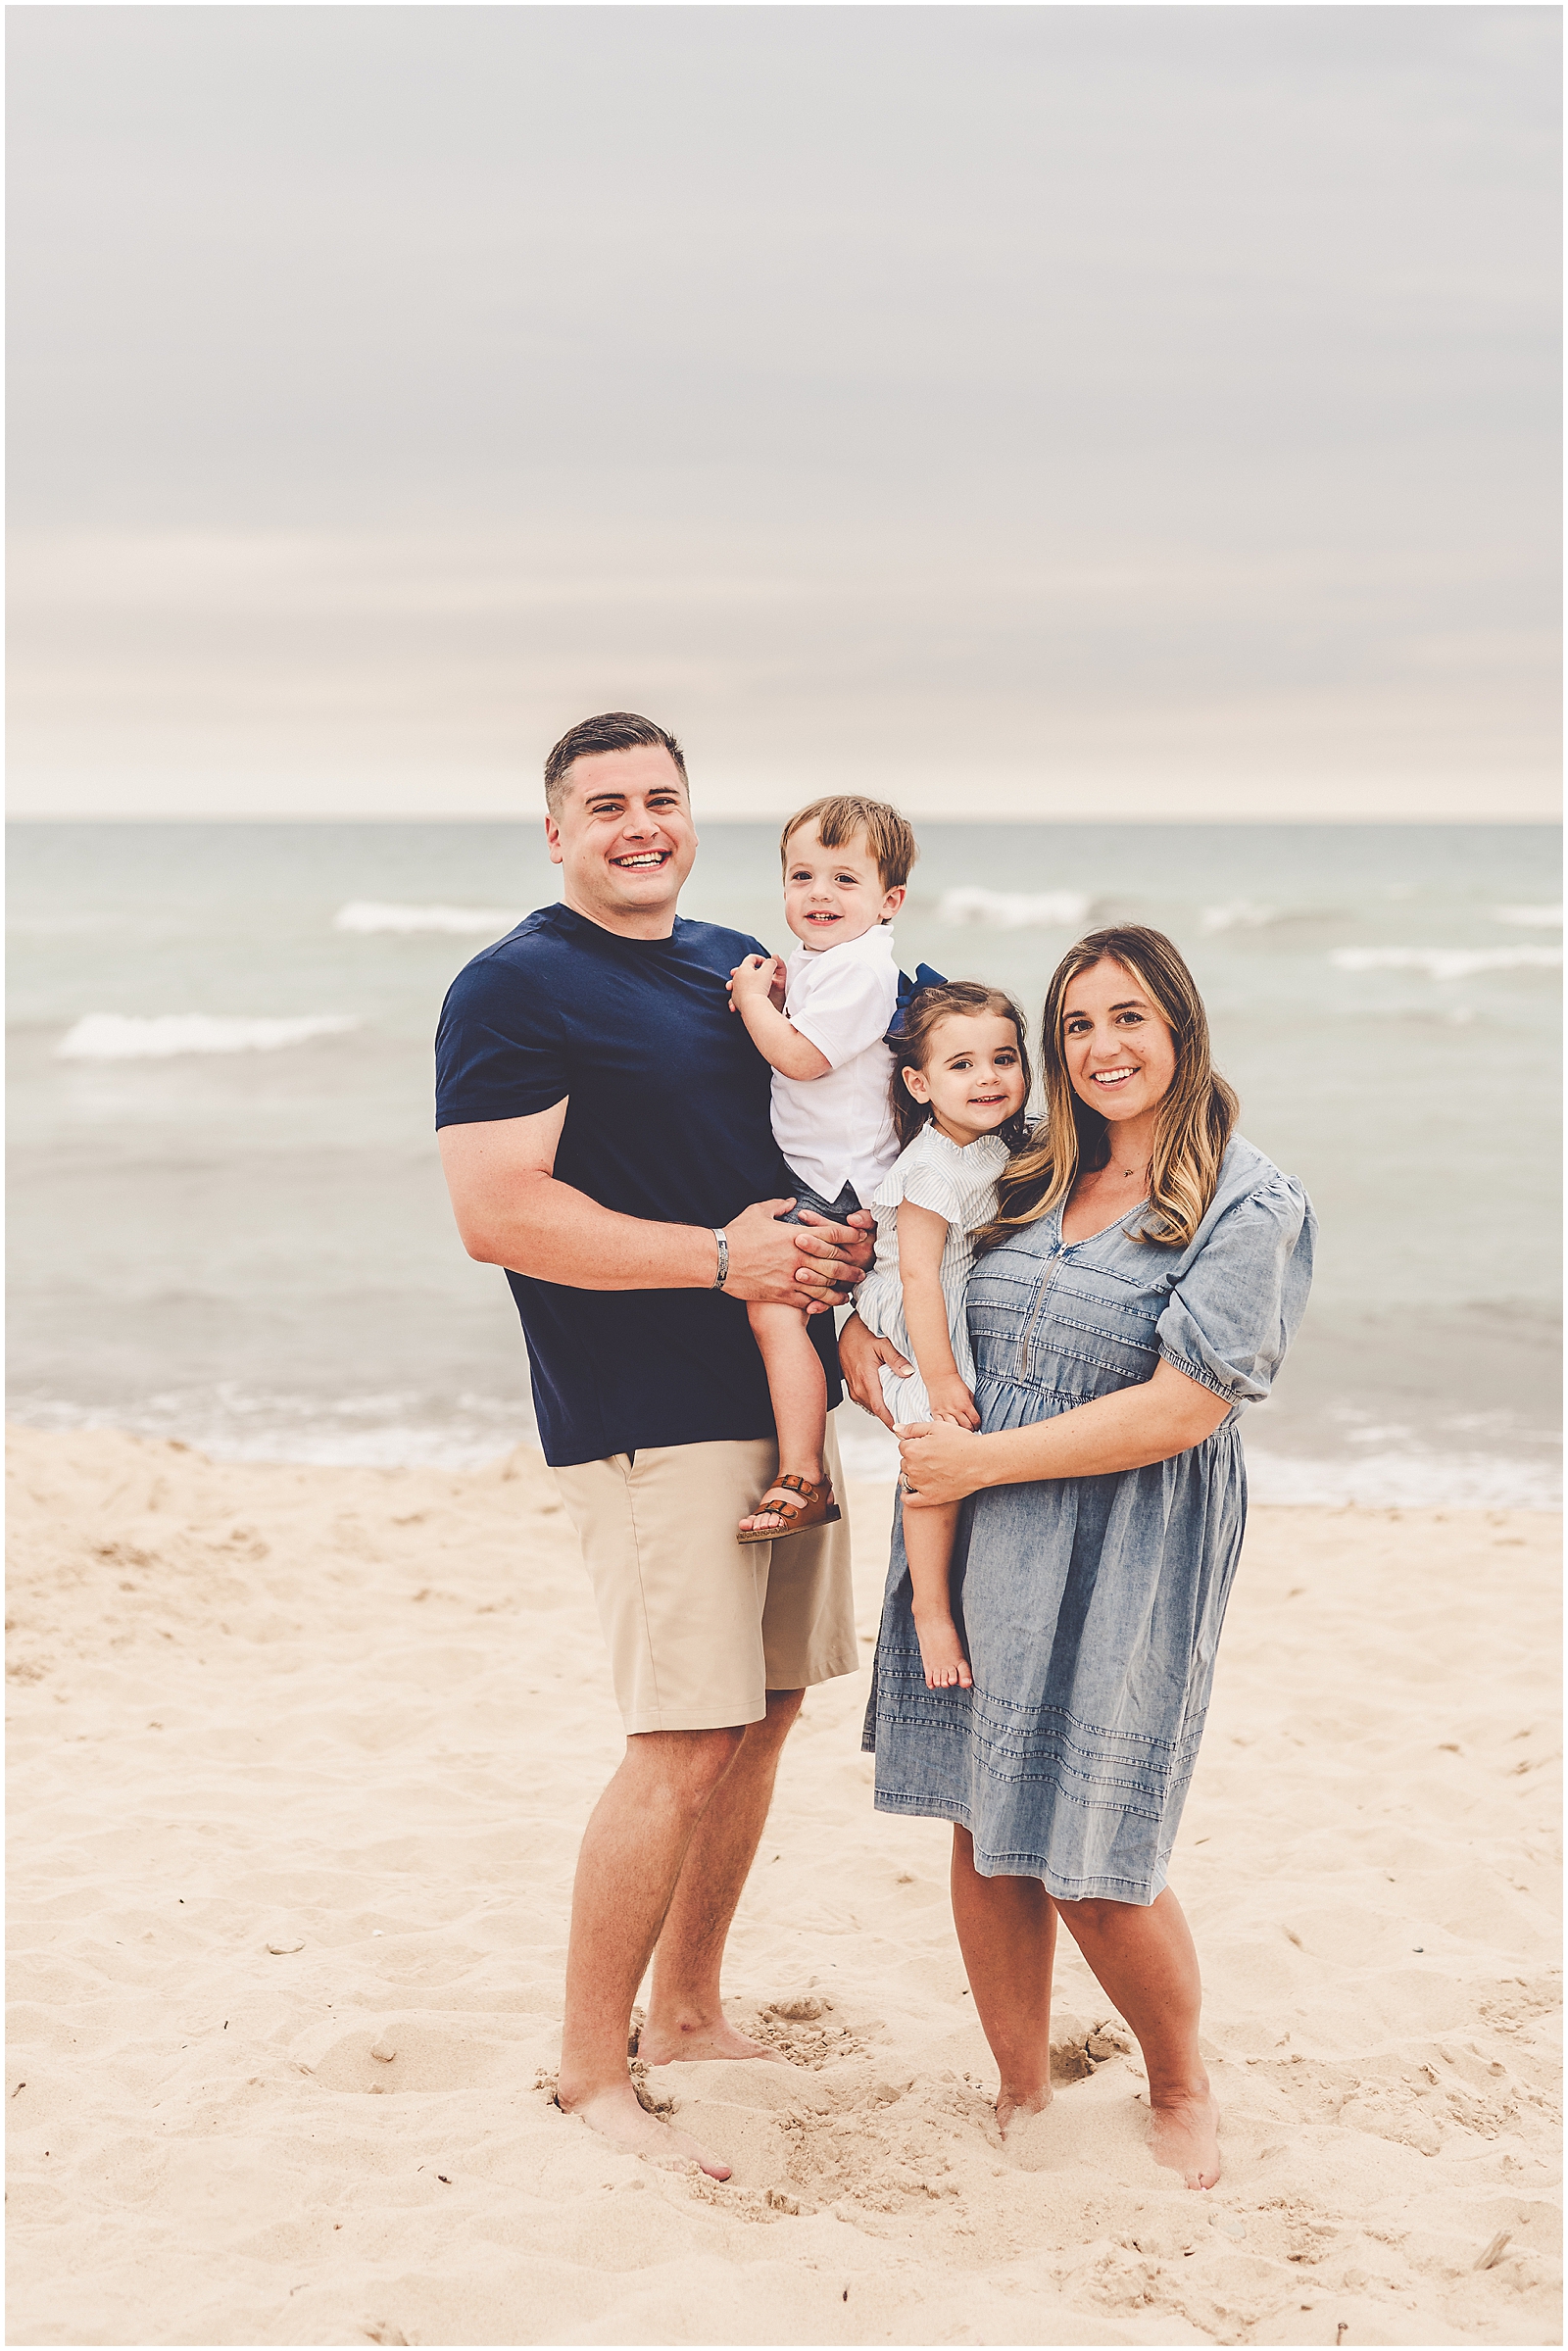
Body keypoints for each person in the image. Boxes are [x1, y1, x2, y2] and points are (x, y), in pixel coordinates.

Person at [435, 712, 874, 2181]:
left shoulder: (736, 961)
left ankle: (687, 2011)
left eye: (664, 798)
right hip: (646, 1411)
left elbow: (807, 1135)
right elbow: (499, 1210)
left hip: (782, 1393)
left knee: (764, 1711)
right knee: (680, 1734)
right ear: (553, 831)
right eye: (605, 802)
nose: (640, 823)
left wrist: (843, 1235)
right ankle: (586, 2066)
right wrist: (717, 1259)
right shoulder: (517, 984)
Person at [840, 924, 1314, 2191]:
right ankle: (1019, 2083)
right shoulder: (1018, 1169)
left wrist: (979, 1463)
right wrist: (861, 1357)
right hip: (979, 1531)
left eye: (1129, 1018)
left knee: (1098, 1848)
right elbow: (903, 1285)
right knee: (985, 1824)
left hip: (1123, 1543)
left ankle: (1179, 2081)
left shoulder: (1245, 1200)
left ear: (1180, 1028)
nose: (1102, 1047)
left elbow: (1184, 1407)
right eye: (1079, 1025)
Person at [726, 796, 915, 1542]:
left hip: (842, 1185)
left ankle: (802, 1472)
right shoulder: (827, 964)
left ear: (888, 900)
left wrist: (750, 1003)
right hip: (829, 1174)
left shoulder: (865, 969)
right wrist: (779, 994)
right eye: (802, 875)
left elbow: (802, 1057)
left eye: (844, 879)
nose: (819, 894)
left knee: (775, 1311)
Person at [852, 982, 1030, 1689]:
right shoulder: (929, 1166)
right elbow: (921, 1278)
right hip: (918, 1310)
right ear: (920, 1084)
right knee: (932, 1452)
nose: (987, 1076)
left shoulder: (993, 1141)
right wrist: (941, 1377)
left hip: (948, 1298)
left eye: (1004, 1058)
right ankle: (930, 1607)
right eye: (962, 1065)